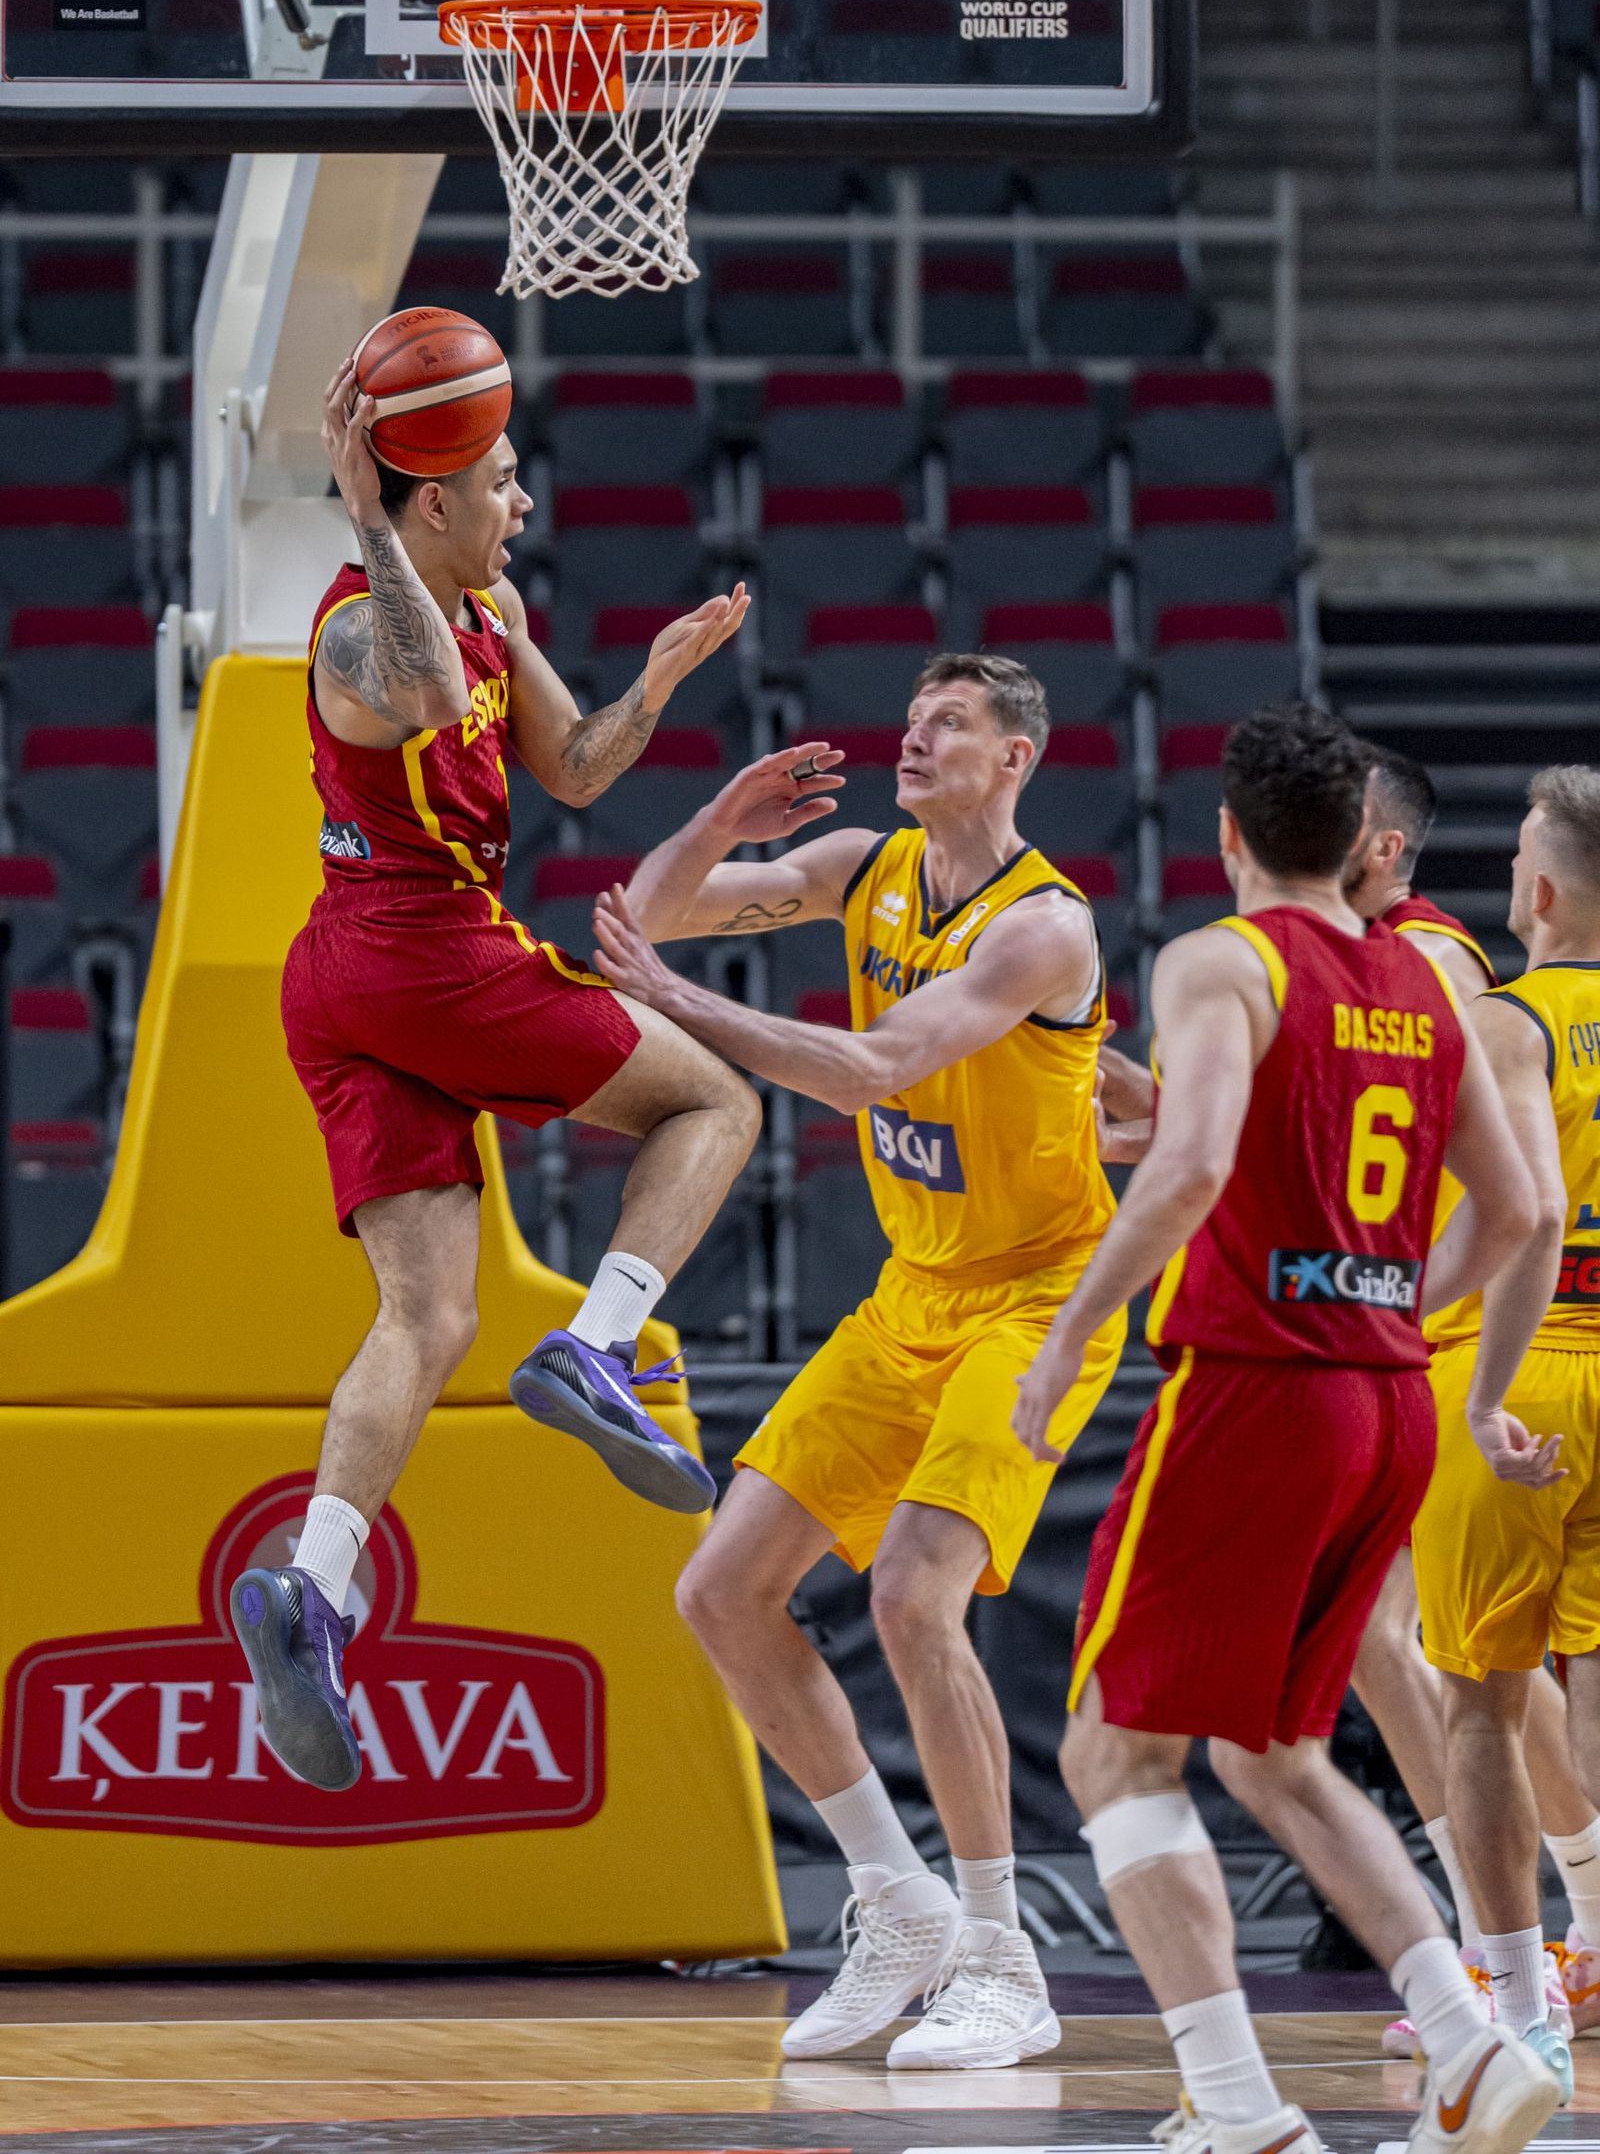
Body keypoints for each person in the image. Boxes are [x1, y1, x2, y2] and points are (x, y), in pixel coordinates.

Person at [1012, 702, 1559, 2154]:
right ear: (1361, 843)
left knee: (1112, 1757)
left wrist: (1070, 1334)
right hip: (1390, 1399)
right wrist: (1389, 1304)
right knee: (1272, 1754)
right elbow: (1514, 1209)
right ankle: (1471, 2041)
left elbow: (1191, 1167)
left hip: (1257, 1391)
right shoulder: (1429, 982)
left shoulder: (1223, 958)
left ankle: (1240, 2105)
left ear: (1229, 836)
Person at [230, 353, 761, 1794]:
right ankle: (600, 1344)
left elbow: (576, 767)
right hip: (418, 952)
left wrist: (656, 680)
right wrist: (364, 516)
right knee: (718, 1100)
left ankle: (311, 1591)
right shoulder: (363, 632)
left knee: (430, 1316)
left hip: (355, 985)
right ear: (433, 501)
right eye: (502, 481)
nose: (523, 503)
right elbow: (415, 686)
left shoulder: (491, 610)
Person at [589, 652, 1123, 2069]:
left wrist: (685, 1005)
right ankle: (899, 1905)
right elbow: (643, 916)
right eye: (911, 718)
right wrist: (721, 820)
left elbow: (876, 1068)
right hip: (914, 1294)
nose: (914, 738)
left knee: (910, 1593)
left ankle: (1004, 1958)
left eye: (950, 724)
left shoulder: (1043, 928)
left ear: (1015, 758)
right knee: (721, 1589)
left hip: (1039, 1301)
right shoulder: (861, 865)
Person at [1342, 746, 1599, 2054]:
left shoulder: (1486, 1001)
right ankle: (1581, 1942)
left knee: (1476, 1694)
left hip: (1506, 1351)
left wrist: (1420, 1331)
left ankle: (1518, 1998)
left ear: (1538, 893)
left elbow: (1529, 1212)